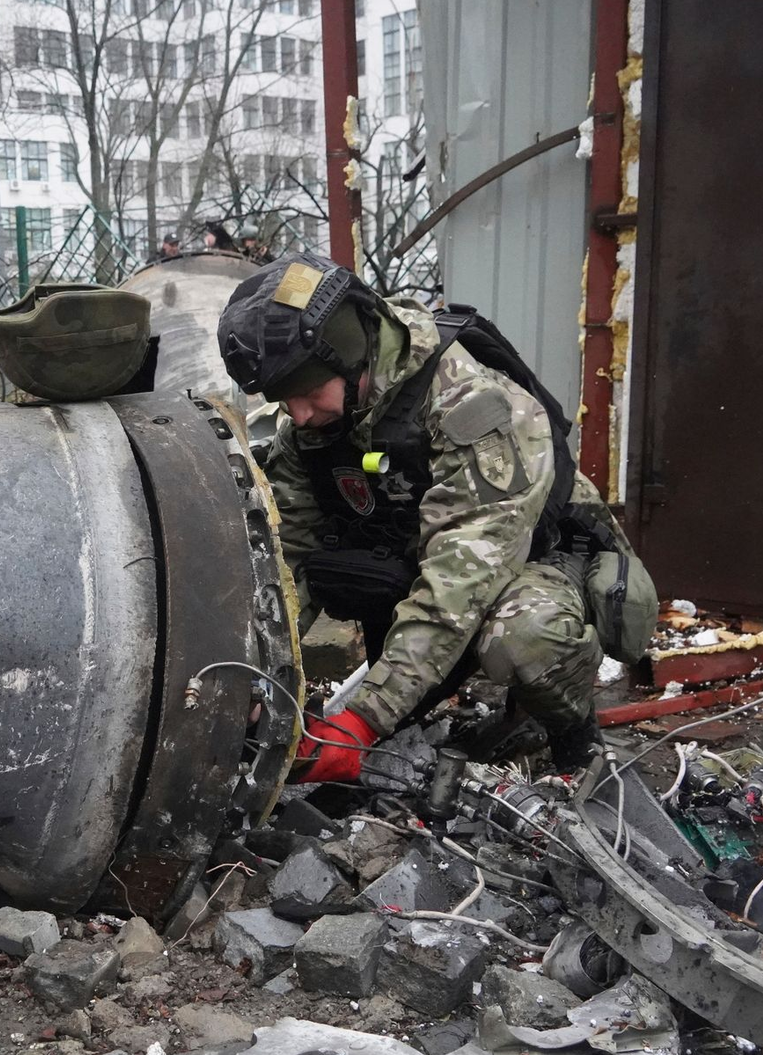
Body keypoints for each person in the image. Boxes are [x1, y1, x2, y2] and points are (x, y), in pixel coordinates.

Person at [217, 252, 656, 783]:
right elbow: (290, 562)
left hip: (541, 560)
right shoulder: (313, 428)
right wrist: (254, 680)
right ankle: (418, 700)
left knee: (526, 638)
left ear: (353, 357)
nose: (300, 415)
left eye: (309, 394)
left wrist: (362, 720)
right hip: (423, 559)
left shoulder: (472, 406)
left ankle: (573, 735)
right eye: (287, 403)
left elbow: (462, 578)